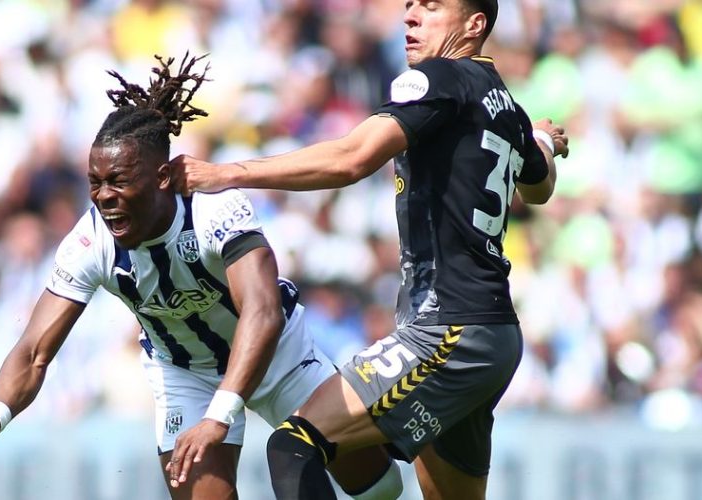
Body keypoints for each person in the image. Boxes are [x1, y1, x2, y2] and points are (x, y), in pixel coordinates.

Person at [0, 55, 403, 500]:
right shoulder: (90, 241)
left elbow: (262, 314)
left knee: (381, 488)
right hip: (185, 373)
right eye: (94, 182)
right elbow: (35, 350)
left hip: (277, 355)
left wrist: (222, 413)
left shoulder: (216, 208)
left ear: (162, 177)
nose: (104, 197)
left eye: (118, 180)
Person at [167, 1, 570, 499]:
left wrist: (228, 173)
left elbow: (351, 158)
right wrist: (544, 143)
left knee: (295, 446)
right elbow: (539, 188)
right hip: (493, 336)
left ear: (475, 25)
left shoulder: (439, 77)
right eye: (409, 7)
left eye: (432, 7)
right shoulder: (507, 105)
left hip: (449, 331)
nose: (411, 18)